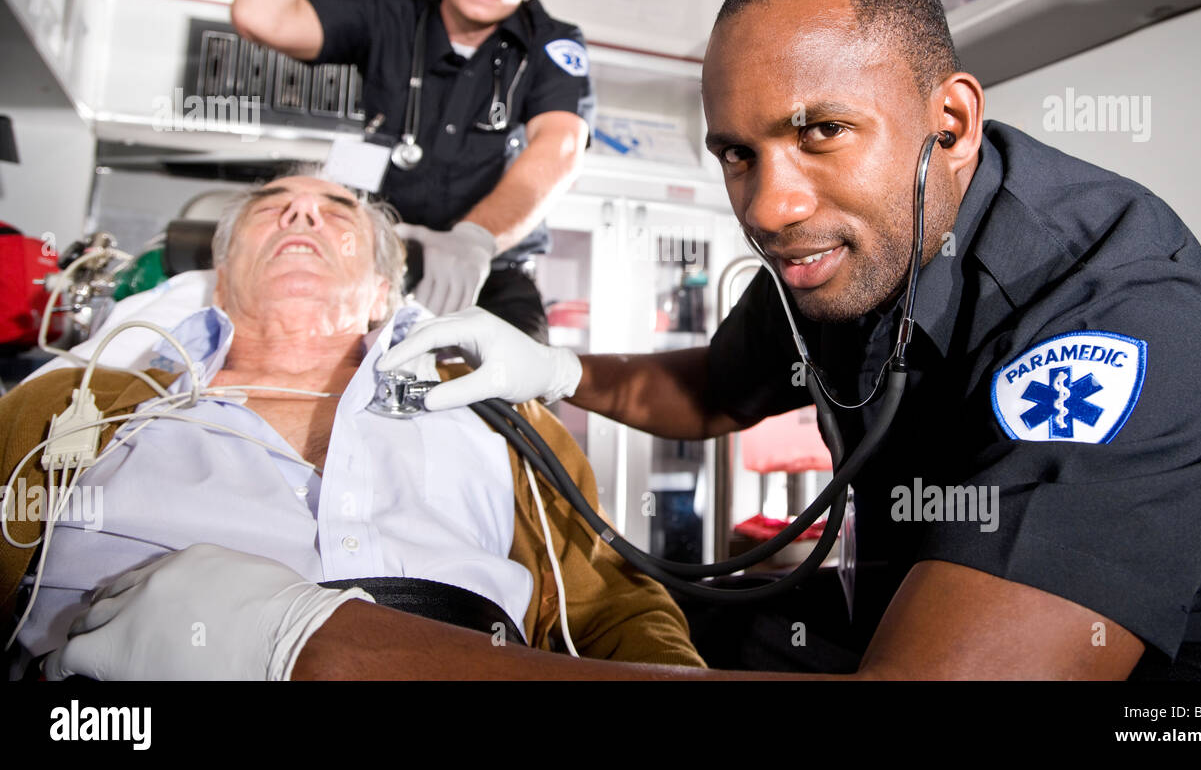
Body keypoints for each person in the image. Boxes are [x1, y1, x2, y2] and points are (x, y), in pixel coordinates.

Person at [42, 0, 1201, 681]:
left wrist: (314, 649)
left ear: (951, 124)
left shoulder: (1121, 315)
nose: (772, 202)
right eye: (736, 153)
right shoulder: (841, 257)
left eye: (818, 132)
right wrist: (543, 366)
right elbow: (700, 391)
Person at [1, 175, 702, 679]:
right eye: (270, 208)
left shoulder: (502, 415)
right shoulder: (73, 406)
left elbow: (616, 605)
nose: (301, 215)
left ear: (381, 292)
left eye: (336, 210)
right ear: (221, 278)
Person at [231, 0, 594, 343]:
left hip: (490, 268)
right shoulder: (386, 14)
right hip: (382, 262)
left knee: (517, 402)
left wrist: (475, 240)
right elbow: (261, 15)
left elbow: (562, 145)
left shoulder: (552, 41)